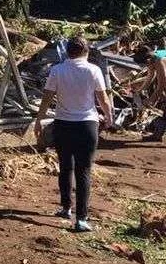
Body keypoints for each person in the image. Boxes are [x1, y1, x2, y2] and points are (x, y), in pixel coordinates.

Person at [34, 36, 113, 232]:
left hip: (63, 124)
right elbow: (102, 97)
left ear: (68, 52)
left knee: (65, 166)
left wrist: (38, 119)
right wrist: (109, 115)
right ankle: (82, 218)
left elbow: (47, 97)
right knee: (84, 170)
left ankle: (65, 207)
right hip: (87, 125)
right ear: (86, 52)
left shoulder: (57, 70)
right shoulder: (93, 70)